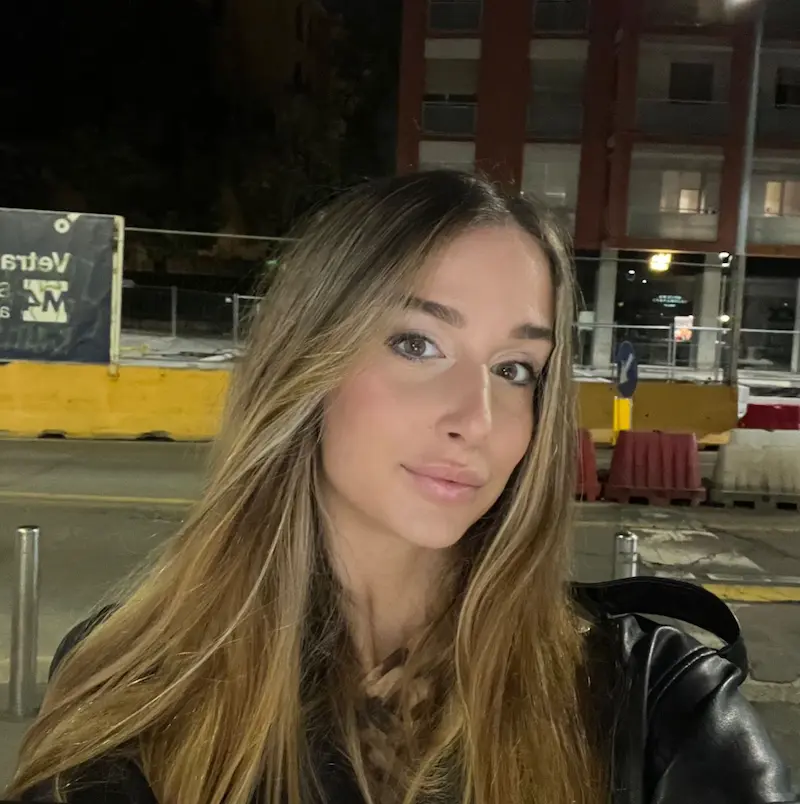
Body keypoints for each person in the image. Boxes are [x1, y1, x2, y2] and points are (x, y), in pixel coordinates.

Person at [5, 171, 795, 804]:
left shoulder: (655, 705)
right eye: (418, 344)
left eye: (515, 369)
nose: (476, 418)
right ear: (307, 364)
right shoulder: (141, 679)